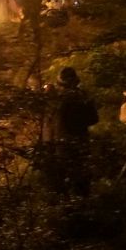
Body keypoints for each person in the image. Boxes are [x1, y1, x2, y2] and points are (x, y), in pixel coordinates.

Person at [43, 67, 99, 195]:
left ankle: (64, 205)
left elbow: (48, 125)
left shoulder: (54, 101)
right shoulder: (82, 97)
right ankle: (83, 205)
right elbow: (94, 119)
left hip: (60, 144)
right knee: (81, 177)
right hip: (80, 142)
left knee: (62, 178)